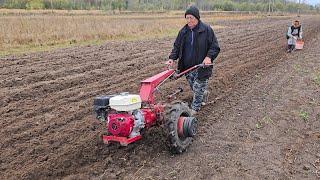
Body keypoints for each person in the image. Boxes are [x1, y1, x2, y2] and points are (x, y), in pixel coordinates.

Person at [167, 5, 220, 115]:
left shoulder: (206, 30)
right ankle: (203, 94)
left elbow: (215, 47)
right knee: (194, 87)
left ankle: (194, 109)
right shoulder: (183, 31)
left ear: (197, 18)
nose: (189, 20)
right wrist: (172, 58)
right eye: (187, 18)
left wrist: (208, 57)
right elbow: (177, 46)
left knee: (197, 87)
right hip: (187, 67)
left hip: (201, 67)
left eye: (192, 18)